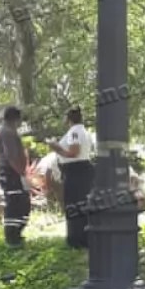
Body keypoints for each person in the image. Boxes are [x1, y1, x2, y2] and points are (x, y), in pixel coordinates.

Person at [46, 106, 95, 249]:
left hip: (76, 172)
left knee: (74, 205)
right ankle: (83, 237)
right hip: (80, 170)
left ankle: (77, 239)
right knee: (81, 204)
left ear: (68, 119)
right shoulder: (84, 132)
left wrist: (56, 147)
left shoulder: (74, 132)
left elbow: (74, 152)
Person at [0, 106, 31, 249]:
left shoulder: (4, 130)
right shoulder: (7, 132)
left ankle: (16, 234)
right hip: (11, 172)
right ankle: (12, 238)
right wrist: (20, 171)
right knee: (16, 203)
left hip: (11, 171)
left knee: (22, 201)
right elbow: (11, 156)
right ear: (15, 119)